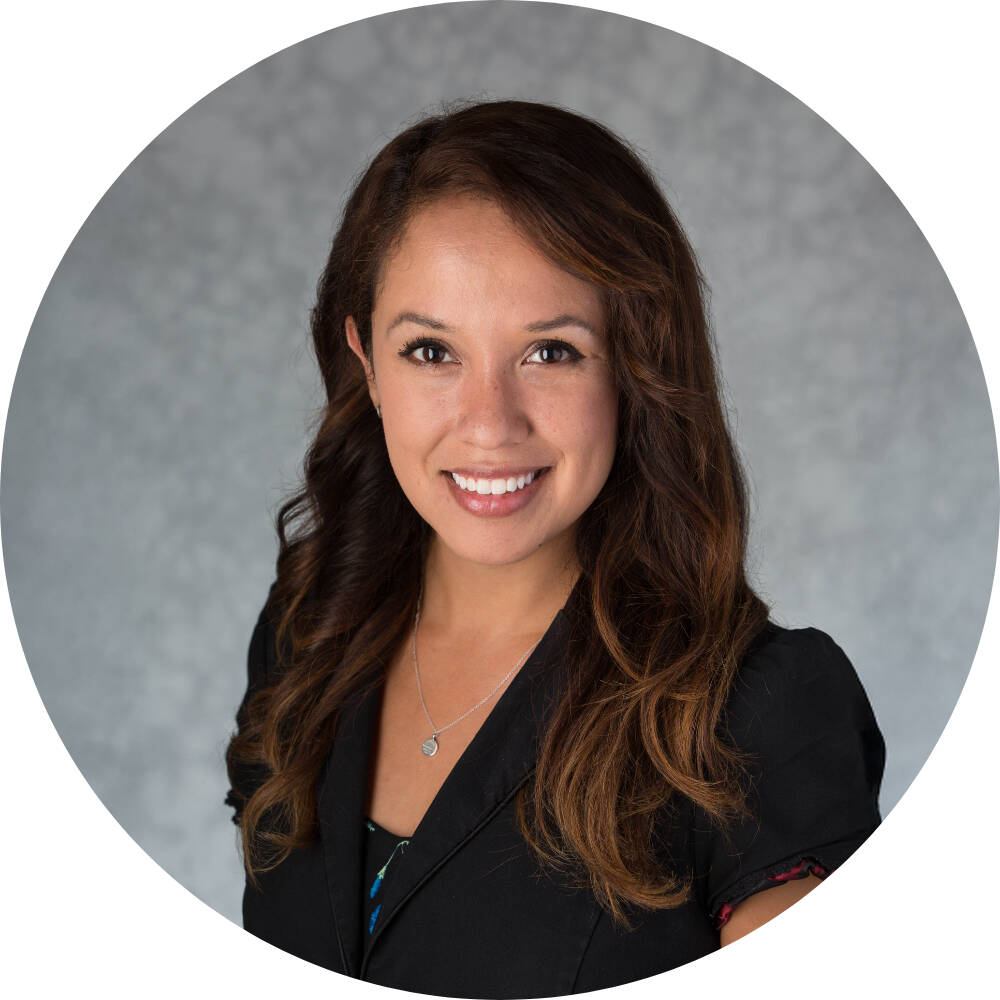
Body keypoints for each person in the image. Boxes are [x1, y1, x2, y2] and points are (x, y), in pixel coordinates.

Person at [225, 99, 884, 997]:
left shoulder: (755, 711)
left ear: (633, 366)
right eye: (430, 351)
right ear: (366, 365)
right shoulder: (307, 630)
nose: (489, 424)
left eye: (550, 352)